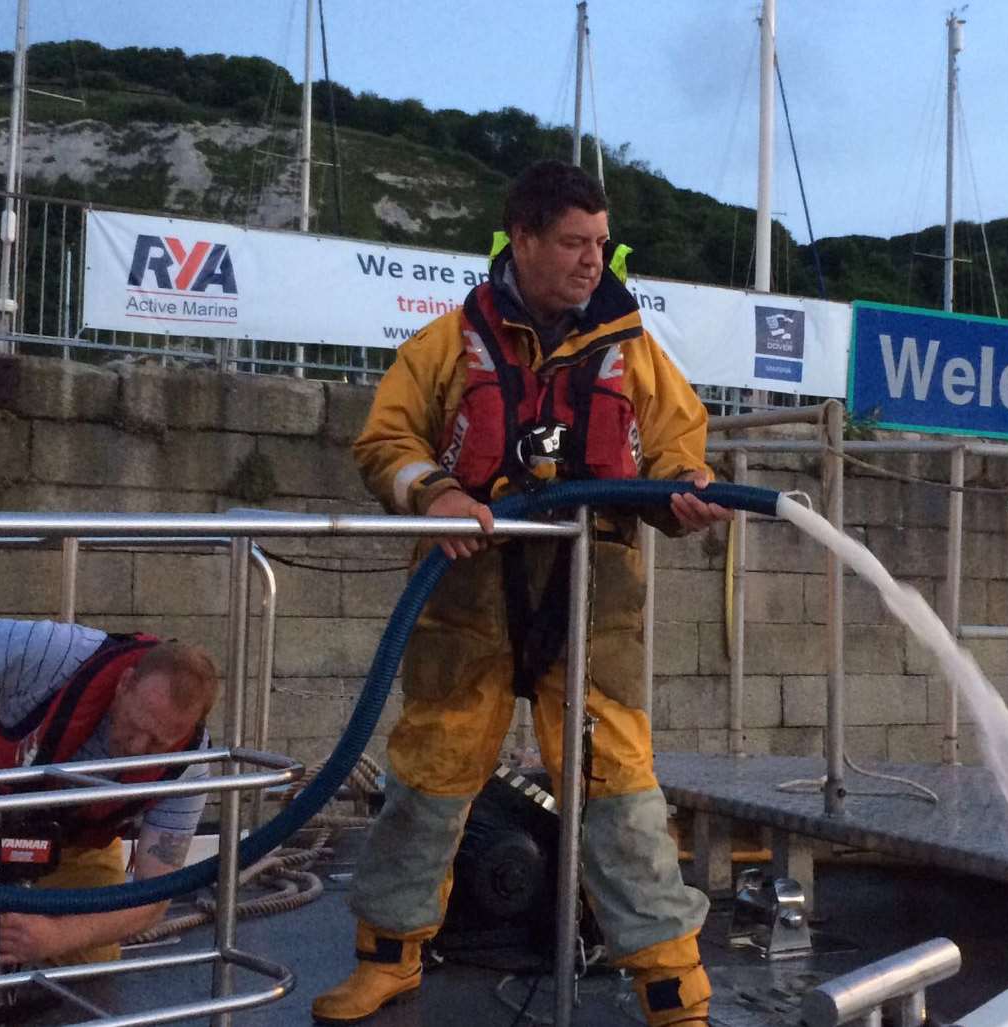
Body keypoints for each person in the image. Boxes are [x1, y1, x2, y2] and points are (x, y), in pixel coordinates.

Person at [315, 160, 731, 1026]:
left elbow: (676, 443)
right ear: (527, 240)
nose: (593, 261)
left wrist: (688, 491)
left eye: (602, 244)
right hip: (466, 601)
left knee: (620, 792)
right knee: (428, 779)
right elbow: (385, 439)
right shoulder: (443, 346)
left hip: (592, 608)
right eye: (575, 243)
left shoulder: (634, 352)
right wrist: (436, 493)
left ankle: (673, 989)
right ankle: (388, 957)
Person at [0, 615, 219, 966]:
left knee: (93, 954)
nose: (138, 747)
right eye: (136, 726)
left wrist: (58, 936)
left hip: (65, 845)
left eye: (159, 741)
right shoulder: (60, 653)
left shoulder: (189, 769)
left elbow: (152, 900)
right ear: (124, 683)